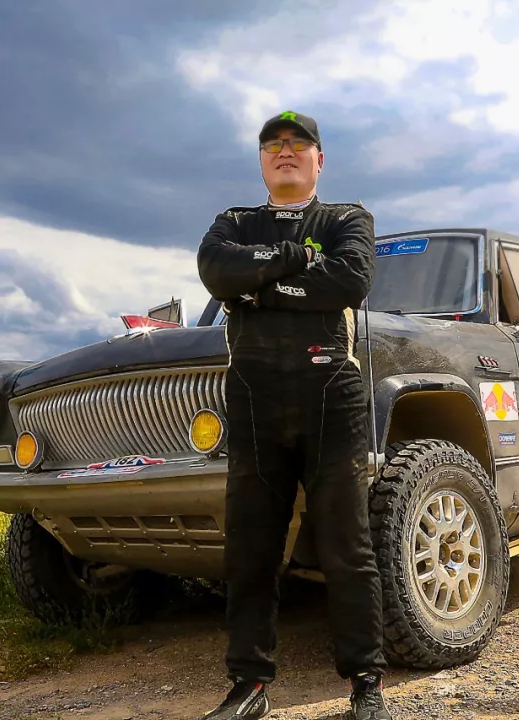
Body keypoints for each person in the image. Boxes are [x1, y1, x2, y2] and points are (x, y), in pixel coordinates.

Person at [195, 111, 392, 720]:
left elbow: (349, 282)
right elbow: (214, 270)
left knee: (345, 542)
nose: (285, 152)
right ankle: (249, 684)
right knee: (250, 546)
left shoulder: (346, 219)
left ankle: (365, 683)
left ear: (318, 160)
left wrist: (257, 286)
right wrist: (293, 261)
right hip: (253, 393)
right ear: (260, 161)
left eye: (298, 145)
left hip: (330, 389)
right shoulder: (233, 221)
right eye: (273, 146)